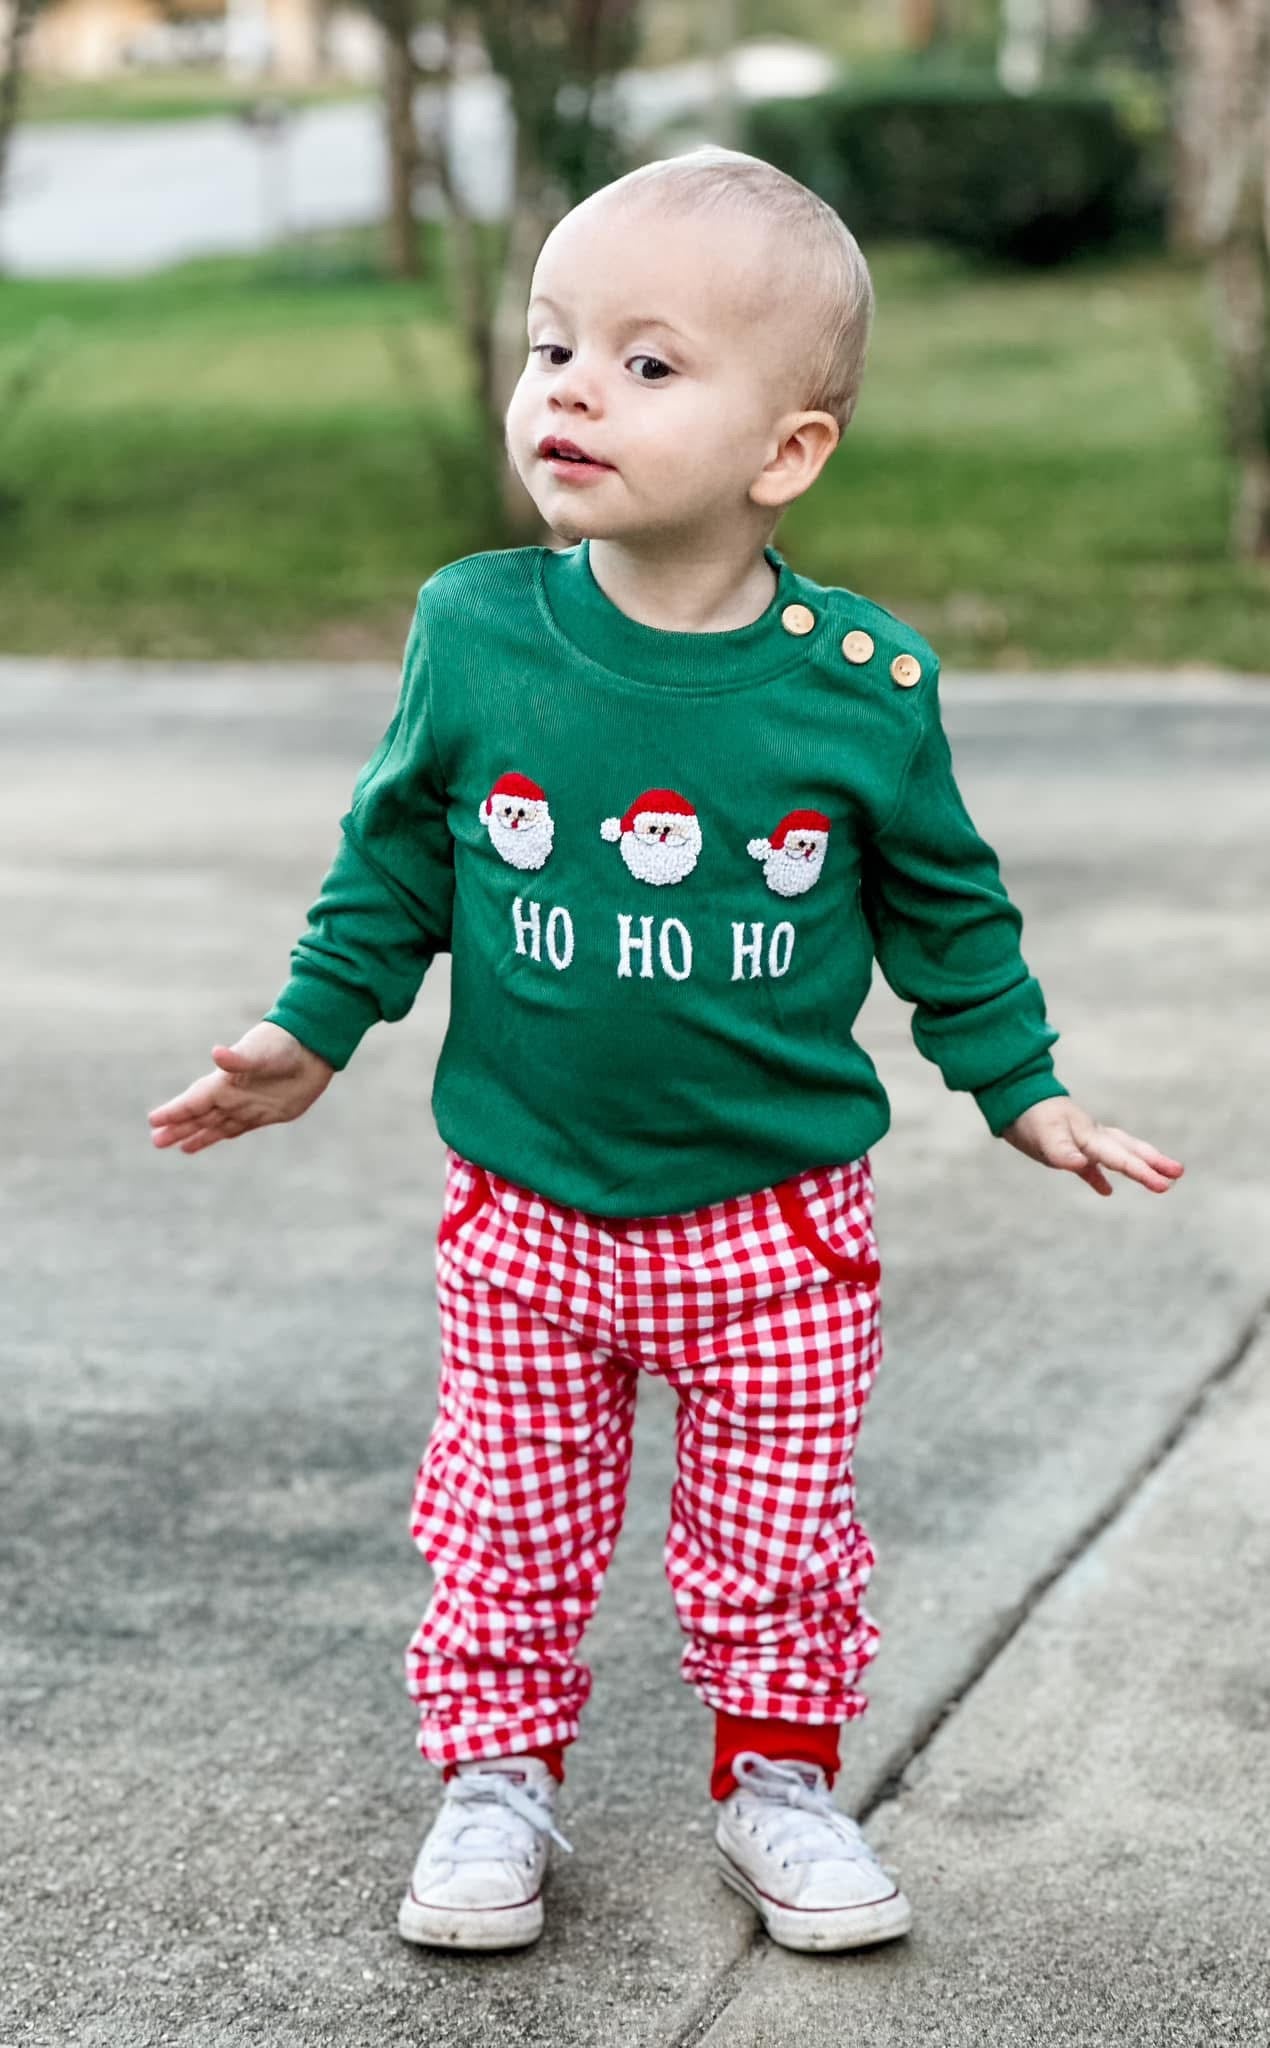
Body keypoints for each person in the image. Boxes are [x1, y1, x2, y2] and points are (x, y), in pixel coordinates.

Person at [147, 147, 1184, 1957]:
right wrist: (308, 1034)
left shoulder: (859, 685)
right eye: (552, 345)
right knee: (505, 1524)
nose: (568, 387)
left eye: (645, 361)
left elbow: (946, 907)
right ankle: (494, 1785)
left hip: (776, 1226)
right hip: (529, 1204)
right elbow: (395, 858)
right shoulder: (476, 629)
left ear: (786, 451)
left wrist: (1021, 1086)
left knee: (780, 1540)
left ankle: (776, 1791)